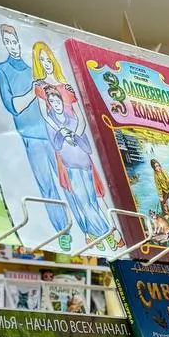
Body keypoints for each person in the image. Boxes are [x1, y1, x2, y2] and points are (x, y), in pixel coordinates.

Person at [0, 24, 69, 240]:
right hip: (31, 136)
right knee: (47, 185)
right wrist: (33, 91)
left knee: (68, 180)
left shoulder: (33, 69)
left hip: (52, 132)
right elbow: (13, 106)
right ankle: (62, 231)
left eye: (14, 41)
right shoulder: (3, 69)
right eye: (8, 42)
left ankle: (85, 228)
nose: (13, 46)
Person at [42, 85, 110, 239]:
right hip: (71, 167)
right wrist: (62, 134)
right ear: (49, 104)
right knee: (83, 201)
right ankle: (104, 232)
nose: (56, 104)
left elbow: (88, 147)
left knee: (92, 201)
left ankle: (92, 233)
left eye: (58, 101)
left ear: (61, 101)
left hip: (86, 166)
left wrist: (74, 136)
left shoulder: (73, 120)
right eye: (52, 102)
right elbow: (56, 145)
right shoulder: (51, 124)